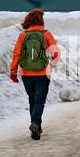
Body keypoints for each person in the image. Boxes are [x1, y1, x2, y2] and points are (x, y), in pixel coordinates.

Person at [10, 9, 60, 141]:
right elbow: (56, 53)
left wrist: (13, 71)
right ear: (41, 21)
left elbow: (16, 54)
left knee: (32, 99)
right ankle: (36, 123)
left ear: (27, 21)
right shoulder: (46, 34)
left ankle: (36, 125)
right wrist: (51, 64)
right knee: (39, 100)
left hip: (26, 73)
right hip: (43, 73)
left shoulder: (23, 35)